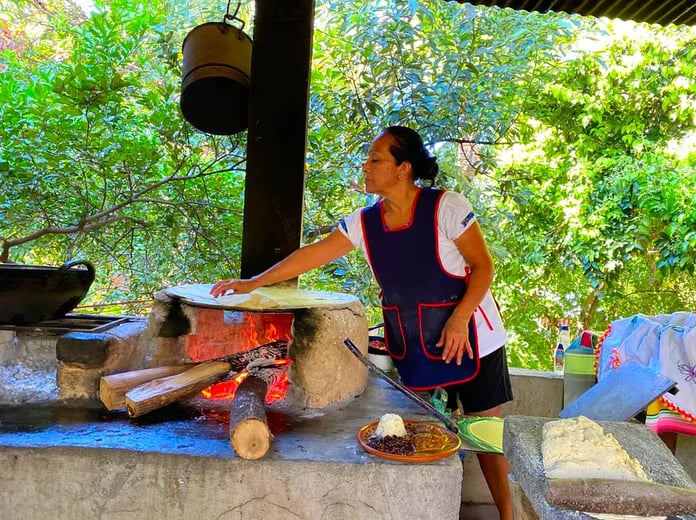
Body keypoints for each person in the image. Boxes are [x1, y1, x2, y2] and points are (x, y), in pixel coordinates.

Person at [210, 125, 513, 519]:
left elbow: (483, 267)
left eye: (376, 160)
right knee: (425, 429)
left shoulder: (447, 208)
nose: (366, 167)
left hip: (473, 336)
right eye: (367, 159)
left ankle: (508, 514)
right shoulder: (365, 223)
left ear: (403, 168)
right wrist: (253, 282)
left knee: (485, 436)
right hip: (417, 340)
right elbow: (313, 254)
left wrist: (459, 318)